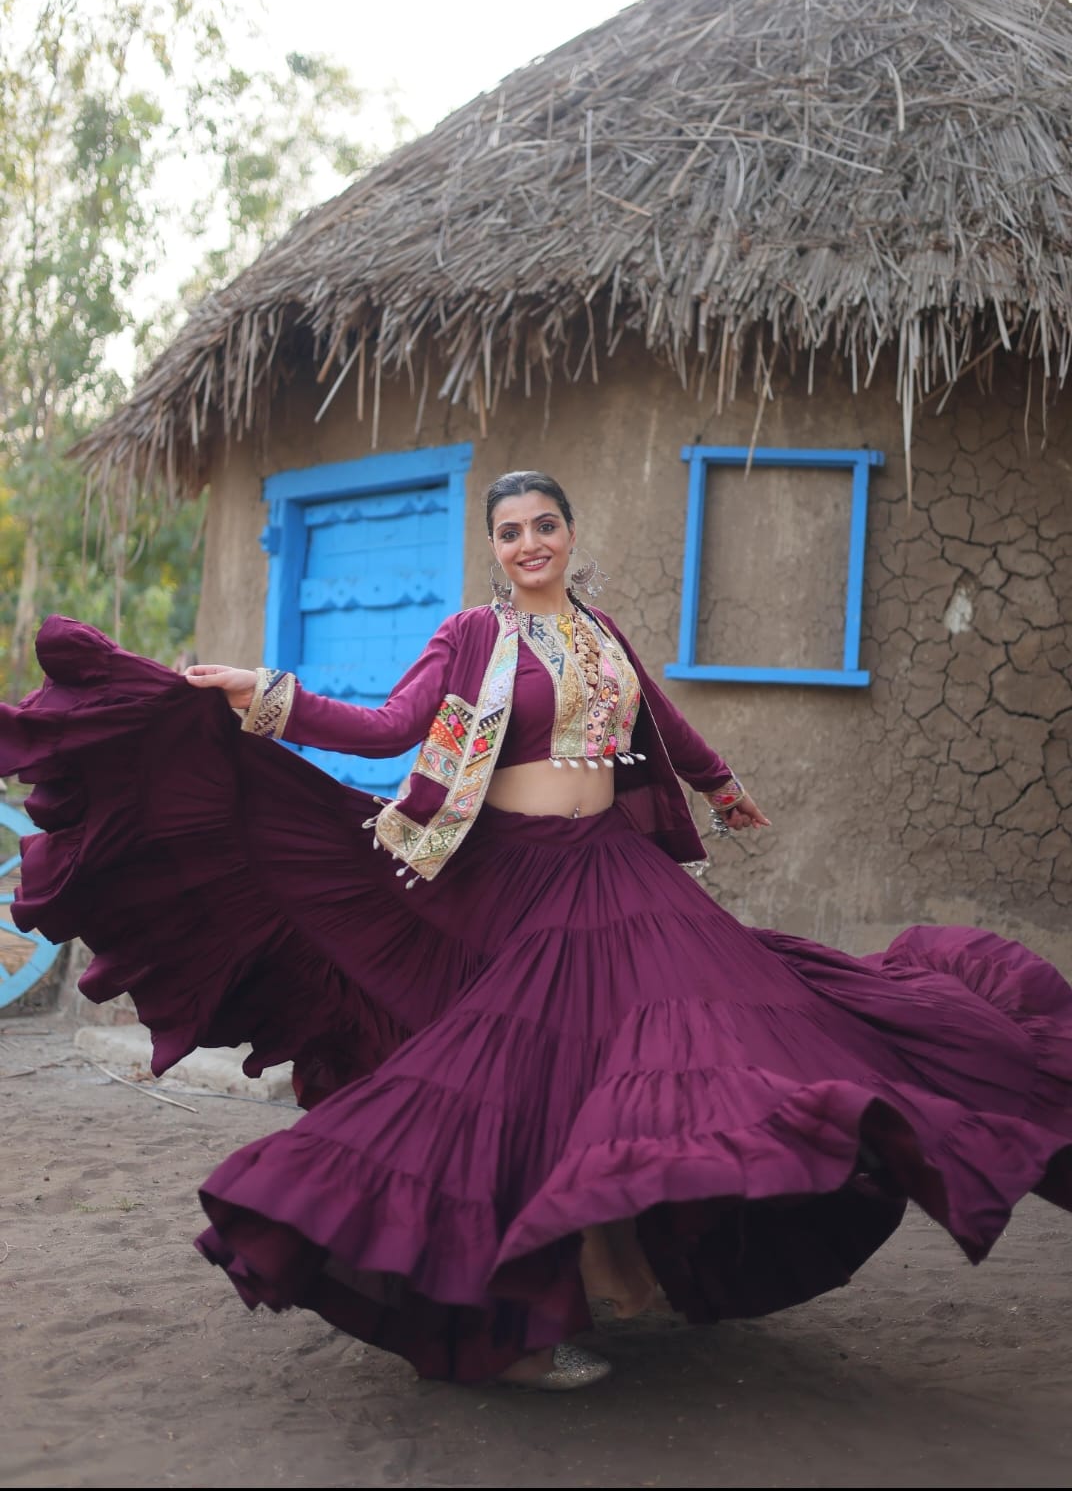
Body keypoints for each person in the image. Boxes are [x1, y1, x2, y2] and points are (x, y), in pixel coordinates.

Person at [2, 469, 1070, 1392]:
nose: (527, 544)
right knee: (521, 1081)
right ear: (493, 548)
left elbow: (660, 718)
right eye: (508, 532)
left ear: (568, 535)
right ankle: (508, 1323)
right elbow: (384, 726)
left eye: (542, 526)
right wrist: (259, 694)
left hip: (618, 876)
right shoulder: (474, 635)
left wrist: (719, 785)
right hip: (512, 884)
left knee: (725, 1034)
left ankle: (625, 1269)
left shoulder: (600, 634)